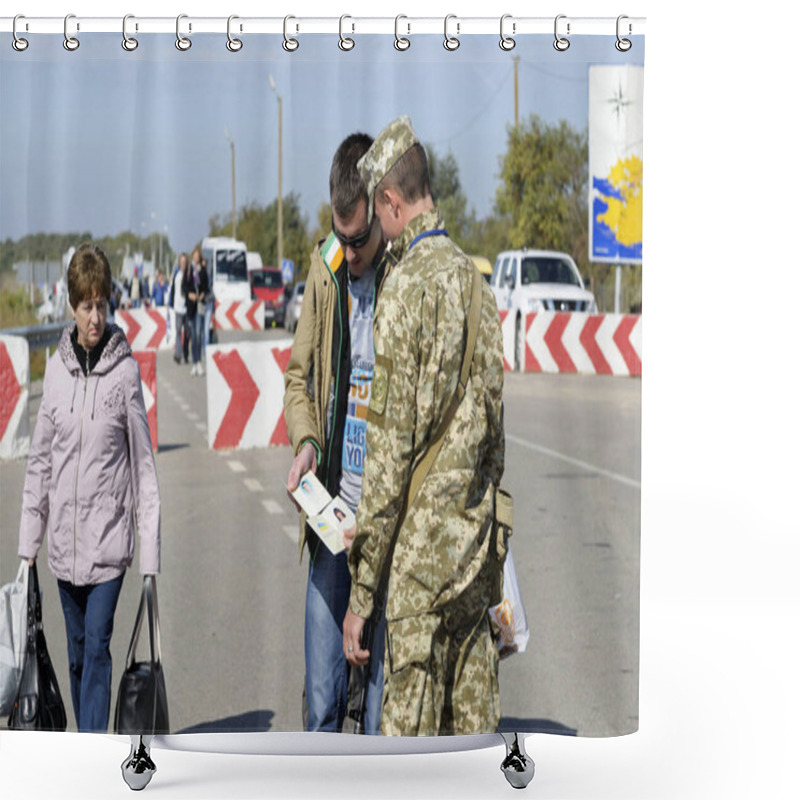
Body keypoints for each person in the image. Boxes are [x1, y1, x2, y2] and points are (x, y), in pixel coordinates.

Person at [343, 116, 506, 736]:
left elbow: (387, 461)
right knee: (473, 753)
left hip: (416, 569)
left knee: (405, 766)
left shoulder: (404, 289)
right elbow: (494, 434)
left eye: (379, 213)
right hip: (474, 556)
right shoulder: (475, 283)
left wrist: (361, 598)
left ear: (391, 202)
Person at [17, 243, 161, 733]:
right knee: (75, 656)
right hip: (63, 545)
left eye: (102, 305)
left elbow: (143, 467)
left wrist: (150, 560)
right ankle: (86, 744)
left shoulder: (125, 373)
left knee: (98, 648)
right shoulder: (55, 372)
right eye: (86, 306)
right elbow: (39, 462)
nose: (95, 317)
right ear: (72, 307)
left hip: (108, 545)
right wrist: (27, 545)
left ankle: (94, 758)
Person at [284, 132, 387, 734]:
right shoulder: (325, 272)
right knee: (321, 699)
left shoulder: (404, 276)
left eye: (358, 240)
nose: (349, 253)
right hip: (331, 521)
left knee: (378, 717)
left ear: (381, 207)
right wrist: (307, 443)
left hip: (383, 529)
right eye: (338, 237)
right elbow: (299, 378)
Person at [186, 247, 206, 376]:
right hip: (190, 308)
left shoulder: (202, 270)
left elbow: (206, 285)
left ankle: (199, 362)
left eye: (198, 256)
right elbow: (185, 286)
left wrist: (202, 294)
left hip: (199, 307)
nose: (196, 258)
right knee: (193, 336)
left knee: (198, 335)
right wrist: (189, 294)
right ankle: (194, 363)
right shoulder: (189, 270)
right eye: (194, 256)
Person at [170, 253, 189, 364]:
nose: (183, 263)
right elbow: (173, 288)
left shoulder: (188, 274)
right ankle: (178, 354)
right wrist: (171, 302)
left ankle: (186, 353)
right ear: (180, 262)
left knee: (187, 333)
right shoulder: (176, 274)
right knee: (178, 332)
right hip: (178, 308)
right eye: (182, 261)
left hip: (186, 308)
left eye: (185, 261)